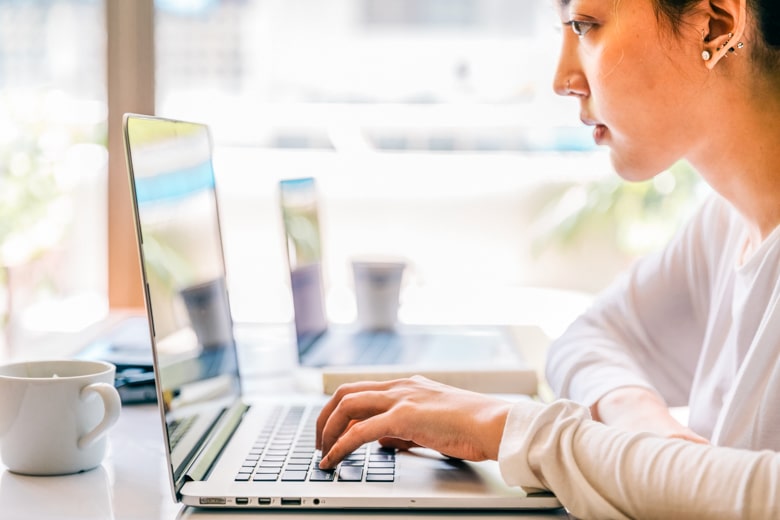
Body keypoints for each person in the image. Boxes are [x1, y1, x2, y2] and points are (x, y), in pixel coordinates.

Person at [315, 0, 780, 518]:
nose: (562, 79)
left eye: (585, 25)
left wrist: (514, 432)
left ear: (714, 25)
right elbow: (588, 338)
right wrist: (650, 440)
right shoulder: (725, 224)